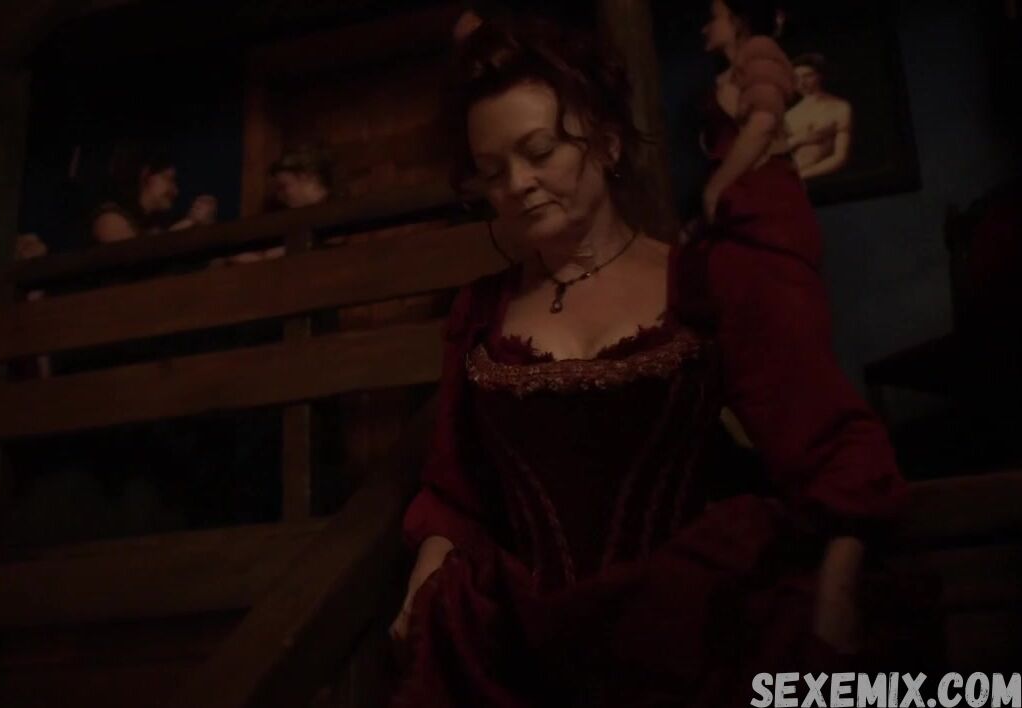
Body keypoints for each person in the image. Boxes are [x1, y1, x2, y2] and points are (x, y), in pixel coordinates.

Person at [389, 16, 911, 706]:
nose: (518, 183)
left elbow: (825, 446)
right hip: (529, 651)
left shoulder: (702, 279)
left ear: (606, 141)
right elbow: (457, 489)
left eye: (540, 150)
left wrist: (834, 612)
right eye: (491, 171)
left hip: (688, 638)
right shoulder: (480, 312)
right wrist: (426, 576)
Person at [700, 0, 795, 223]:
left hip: (766, 203)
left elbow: (764, 121)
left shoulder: (759, 49)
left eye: (713, 18)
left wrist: (714, 189)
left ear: (738, 22)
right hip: (745, 200)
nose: (704, 29)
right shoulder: (733, 73)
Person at [90, 143, 217, 244]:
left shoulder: (152, 226)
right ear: (145, 174)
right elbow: (141, 259)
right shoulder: (110, 218)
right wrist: (191, 221)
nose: (175, 191)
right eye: (169, 179)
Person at [786, 53, 854, 180]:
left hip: (823, 177)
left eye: (807, 76)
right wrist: (799, 139)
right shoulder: (790, 115)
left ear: (820, 76)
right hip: (790, 178)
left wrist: (800, 176)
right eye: (796, 78)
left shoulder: (839, 107)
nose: (802, 82)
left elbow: (840, 157)